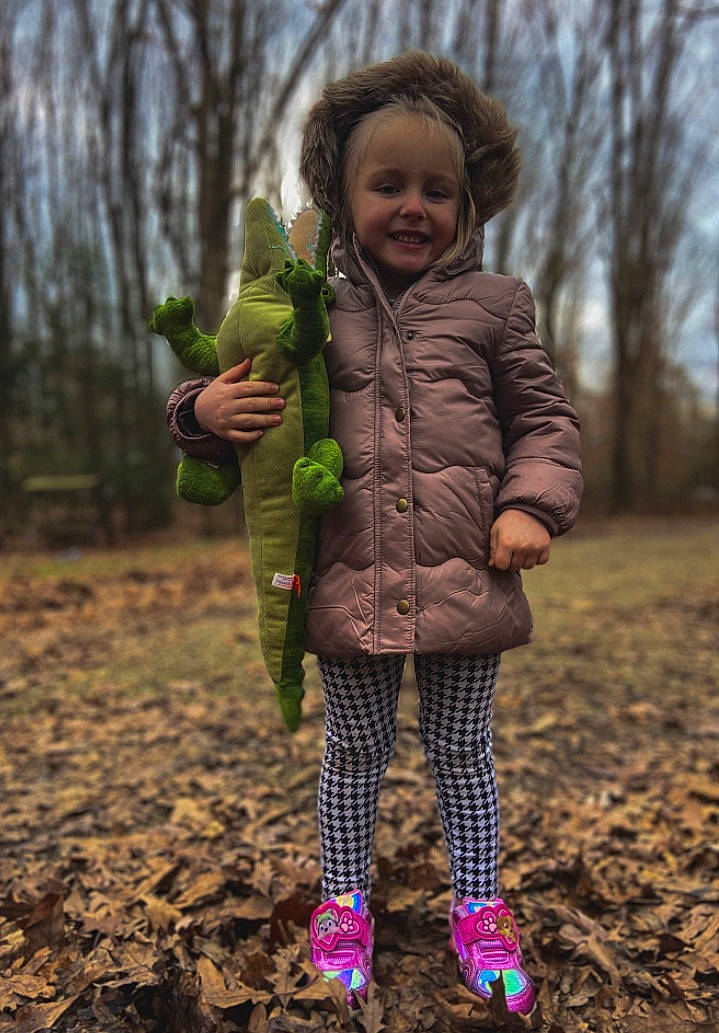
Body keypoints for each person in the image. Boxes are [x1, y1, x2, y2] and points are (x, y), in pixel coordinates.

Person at [166, 51, 582, 1016]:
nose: (412, 206)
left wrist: (530, 503)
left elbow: (545, 423)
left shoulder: (495, 307)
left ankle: (478, 905)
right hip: (347, 577)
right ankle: (344, 901)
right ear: (341, 195)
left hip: (467, 578)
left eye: (437, 190)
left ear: (469, 208)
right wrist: (202, 412)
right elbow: (231, 392)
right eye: (386, 184)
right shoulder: (308, 311)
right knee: (352, 751)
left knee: (462, 748)